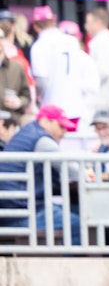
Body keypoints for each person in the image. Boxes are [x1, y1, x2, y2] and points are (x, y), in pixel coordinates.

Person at [0, 104, 82, 243]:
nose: (64, 131)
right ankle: (68, 264)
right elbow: (75, 172)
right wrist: (91, 175)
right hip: (22, 211)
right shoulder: (43, 140)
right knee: (80, 225)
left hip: (12, 208)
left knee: (75, 212)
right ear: (45, 121)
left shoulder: (27, 133)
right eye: (60, 126)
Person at [29, 5, 97, 122]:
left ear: (35, 26)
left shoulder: (39, 46)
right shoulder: (71, 41)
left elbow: (41, 82)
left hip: (52, 110)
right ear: (54, 21)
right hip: (76, 107)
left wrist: (38, 99)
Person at [0, 23, 32, 120]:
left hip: (10, 124)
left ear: (7, 40)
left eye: (1, 37)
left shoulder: (17, 67)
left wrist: (19, 102)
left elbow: (27, 97)